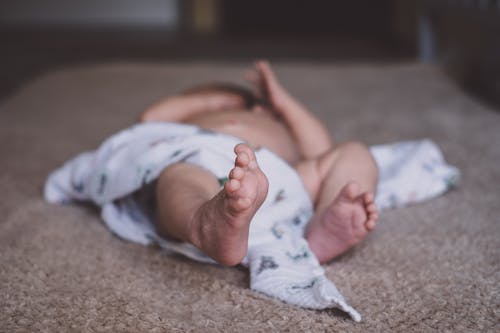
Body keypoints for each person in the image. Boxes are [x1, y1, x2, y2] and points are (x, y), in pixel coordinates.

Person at [139, 60, 378, 266]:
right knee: (179, 177)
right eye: (225, 103)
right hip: (201, 164)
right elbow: (149, 120)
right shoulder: (188, 122)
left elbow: (321, 149)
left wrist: (284, 104)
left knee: (353, 152)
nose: (244, 108)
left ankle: (323, 229)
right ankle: (204, 223)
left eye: (254, 105)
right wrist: (209, 102)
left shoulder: (277, 122)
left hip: (278, 181)